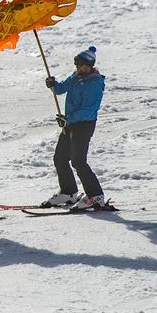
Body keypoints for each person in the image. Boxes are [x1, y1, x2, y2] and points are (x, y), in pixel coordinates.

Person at [43, 46, 107, 210]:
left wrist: (68, 119)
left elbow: (88, 110)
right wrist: (53, 84)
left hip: (84, 125)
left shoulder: (94, 83)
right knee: (60, 158)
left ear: (90, 65)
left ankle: (96, 196)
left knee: (78, 161)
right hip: (70, 123)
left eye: (82, 66)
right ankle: (68, 192)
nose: (79, 69)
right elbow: (62, 88)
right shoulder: (76, 76)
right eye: (77, 66)